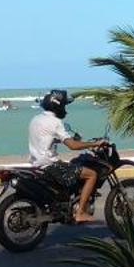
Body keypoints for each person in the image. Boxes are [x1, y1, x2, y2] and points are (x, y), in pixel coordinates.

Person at [27, 89, 106, 224]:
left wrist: (63, 140)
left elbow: (45, 138)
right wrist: (94, 143)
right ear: (58, 106)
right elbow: (72, 146)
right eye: (64, 105)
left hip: (36, 164)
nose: (65, 109)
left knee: (73, 167)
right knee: (92, 174)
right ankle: (80, 213)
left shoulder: (36, 119)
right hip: (50, 165)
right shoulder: (55, 122)